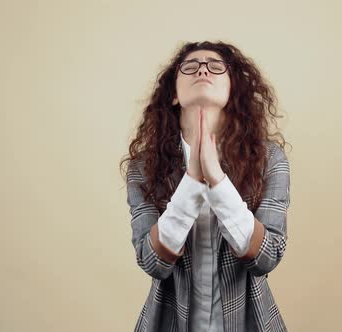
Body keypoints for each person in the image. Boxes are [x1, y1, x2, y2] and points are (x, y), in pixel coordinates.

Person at [120, 41, 291, 332]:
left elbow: (267, 256)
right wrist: (192, 179)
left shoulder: (269, 159)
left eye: (215, 66)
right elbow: (152, 262)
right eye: (190, 66)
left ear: (232, 89)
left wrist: (217, 179)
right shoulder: (143, 167)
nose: (202, 70)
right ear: (174, 94)